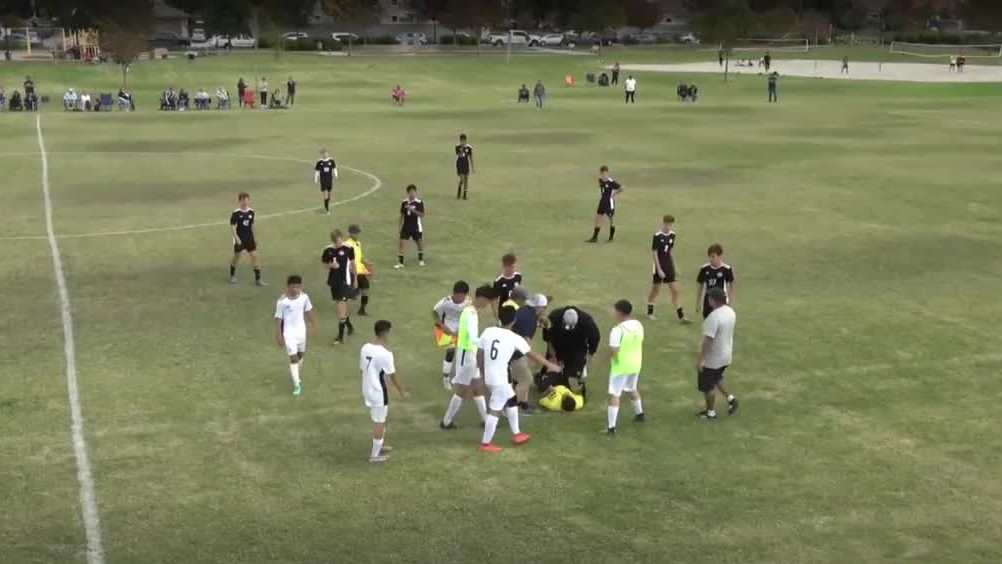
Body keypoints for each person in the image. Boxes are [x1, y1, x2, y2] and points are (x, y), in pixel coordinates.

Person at [477, 306, 560, 453]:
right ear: (514, 320)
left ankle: (517, 433)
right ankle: (485, 444)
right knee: (495, 410)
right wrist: (550, 366)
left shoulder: (488, 331)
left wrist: (483, 373)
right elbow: (532, 354)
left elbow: (480, 354)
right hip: (500, 379)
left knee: (511, 400)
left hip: (490, 375)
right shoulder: (514, 338)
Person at [439, 285, 492, 430]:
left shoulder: (469, 311)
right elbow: (473, 337)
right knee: (461, 390)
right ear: (481, 298)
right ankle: (446, 422)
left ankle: (485, 420)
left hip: (470, 354)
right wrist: (485, 343)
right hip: (467, 355)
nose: (487, 305)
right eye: (487, 301)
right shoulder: (471, 314)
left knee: (477, 388)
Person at [360, 320, 407, 463]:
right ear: (386, 333)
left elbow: (362, 369)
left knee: (379, 419)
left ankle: (379, 445)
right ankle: (374, 455)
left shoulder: (365, 347)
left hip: (366, 387)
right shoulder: (386, 354)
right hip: (378, 391)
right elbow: (392, 376)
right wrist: (402, 391)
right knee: (379, 421)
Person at [696, 288, 737, 420]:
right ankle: (731, 399)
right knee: (717, 378)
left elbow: (708, 341)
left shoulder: (713, 318)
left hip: (713, 359)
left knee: (707, 387)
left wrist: (701, 360)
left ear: (713, 300)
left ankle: (710, 413)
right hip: (726, 354)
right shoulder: (730, 311)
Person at [541, 305, 601, 395]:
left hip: (578, 347)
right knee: (550, 373)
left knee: (572, 375)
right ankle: (545, 380)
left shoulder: (587, 322)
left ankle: (572, 384)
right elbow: (548, 338)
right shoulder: (554, 317)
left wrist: (589, 356)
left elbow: (595, 338)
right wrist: (552, 355)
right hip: (557, 344)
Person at [606, 300, 645, 435]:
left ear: (619, 312)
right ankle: (640, 414)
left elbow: (614, 350)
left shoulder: (617, 330)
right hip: (635, 364)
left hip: (620, 366)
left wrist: (609, 359)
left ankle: (611, 428)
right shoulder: (638, 325)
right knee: (632, 388)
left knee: (615, 394)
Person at [274, 275, 317, 397]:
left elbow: (309, 311)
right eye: (293, 287)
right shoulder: (282, 302)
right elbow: (278, 319)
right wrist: (279, 335)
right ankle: (297, 385)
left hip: (301, 332)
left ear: (301, 286)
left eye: (298, 286)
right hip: (289, 333)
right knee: (293, 358)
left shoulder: (304, 298)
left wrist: (313, 325)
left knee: (300, 356)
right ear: (288, 287)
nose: (295, 289)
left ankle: (296, 375)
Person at [647, 215, 690, 323]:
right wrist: (659, 269)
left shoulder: (672, 235)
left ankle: (681, 316)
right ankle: (650, 312)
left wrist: (674, 266)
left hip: (668, 265)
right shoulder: (657, 236)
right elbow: (654, 253)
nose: (669, 226)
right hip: (659, 265)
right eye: (667, 224)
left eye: (670, 224)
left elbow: (670, 251)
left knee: (675, 290)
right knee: (655, 290)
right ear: (663, 223)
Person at [512, 291, 548, 414]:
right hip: (515, 352)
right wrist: (534, 357)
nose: (545, 311)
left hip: (515, 348)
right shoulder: (530, 318)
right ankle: (513, 407)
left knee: (523, 377)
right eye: (544, 308)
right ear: (538, 307)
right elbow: (527, 340)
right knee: (526, 379)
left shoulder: (526, 311)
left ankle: (524, 403)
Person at [322, 229, 358, 345]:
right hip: (334, 282)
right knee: (340, 305)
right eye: (337, 241)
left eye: (340, 240)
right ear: (333, 241)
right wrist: (331, 265)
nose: (339, 243)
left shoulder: (348, 249)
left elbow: (353, 264)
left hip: (345, 281)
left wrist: (355, 279)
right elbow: (324, 263)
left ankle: (340, 337)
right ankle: (350, 326)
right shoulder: (328, 250)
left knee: (341, 308)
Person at [433, 281, 470, 391]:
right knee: (450, 351)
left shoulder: (468, 302)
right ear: (455, 294)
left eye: (463, 296)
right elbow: (434, 313)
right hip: (447, 328)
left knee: (465, 352)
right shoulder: (445, 302)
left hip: (461, 329)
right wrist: (443, 326)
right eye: (459, 296)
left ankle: (461, 376)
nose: (461, 298)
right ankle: (446, 378)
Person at [229, 192, 265, 286]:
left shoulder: (251, 212)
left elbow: (252, 225)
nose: (245, 202)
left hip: (249, 238)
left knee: (254, 256)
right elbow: (233, 227)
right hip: (239, 238)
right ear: (239, 201)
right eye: (243, 200)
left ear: (249, 200)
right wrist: (236, 238)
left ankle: (258, 279)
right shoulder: (236, 213)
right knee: (237, 257)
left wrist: (255, 238)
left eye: (246, 200)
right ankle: (232, 275)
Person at [696, 243, 736, 319]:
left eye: (713, 256)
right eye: (710, 256)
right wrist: (698, 303)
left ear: (719, 256)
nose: (711, 259)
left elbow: (732, 285)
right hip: (708, 302)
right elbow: (700, 287)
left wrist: (730, 302)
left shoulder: (726, 269)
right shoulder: (704, 269)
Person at [586, 165, 622, 243]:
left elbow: (621, 188)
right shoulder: (600, 180)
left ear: (607, 173)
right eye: (602, 173)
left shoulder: (611, 182)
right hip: (602, 201)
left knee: (611, 219)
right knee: (598, 218)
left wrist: (614, 194)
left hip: (609, 202)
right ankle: (595, 237)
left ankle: (611, 238)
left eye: (605, 173)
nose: (603, 175)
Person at [345, 224, 374, 316]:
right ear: (350, 233)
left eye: (358, 232)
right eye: (355, 233)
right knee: (350, 294)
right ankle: (344, 310)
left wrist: (367, 263)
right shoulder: (347, 244)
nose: (357, 234)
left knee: (365, 290)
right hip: (352, 272)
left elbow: (360, 257)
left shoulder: (358, 243)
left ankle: (362, 310)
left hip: (360, 271)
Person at [395, 184, 425, 268]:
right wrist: (399, 226)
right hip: (406, 226)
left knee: (419, 243)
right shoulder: (404, 202)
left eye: (413, 192)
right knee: (401, 244)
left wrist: (413, 210)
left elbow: (422, 214)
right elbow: (401, 215)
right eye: (410, 192)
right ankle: (400, 263)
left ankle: (421, 260)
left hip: (416, 226)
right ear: (408, 193)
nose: (412, 194)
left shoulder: (419, 202)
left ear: (416, 192)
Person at [314, 148, 338, 215]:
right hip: (323, 180)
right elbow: (317, 171)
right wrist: (316, 179)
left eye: (326, 153)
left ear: (328, 154)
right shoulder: (319, 162)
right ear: (322, 155)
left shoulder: (331, 161)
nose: (325, 155)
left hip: (329, 179)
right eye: (324, 154)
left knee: (329, 194)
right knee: (325, 195)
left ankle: (327, 204)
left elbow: (334, 168)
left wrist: (336, 175)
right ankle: (327, 210)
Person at [455, 133, 474, 200]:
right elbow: (460, 155)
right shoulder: (457, 147)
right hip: (459, 164)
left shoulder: (469, 147)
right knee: (462, 179)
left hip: (466, 164)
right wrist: (462, 149)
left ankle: (465, 194)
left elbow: (470, 157)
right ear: (460, 140)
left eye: (464, 140)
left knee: (466, 179)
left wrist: (472, 167)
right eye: (461, 140)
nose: (463, 142)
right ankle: (459, 189)